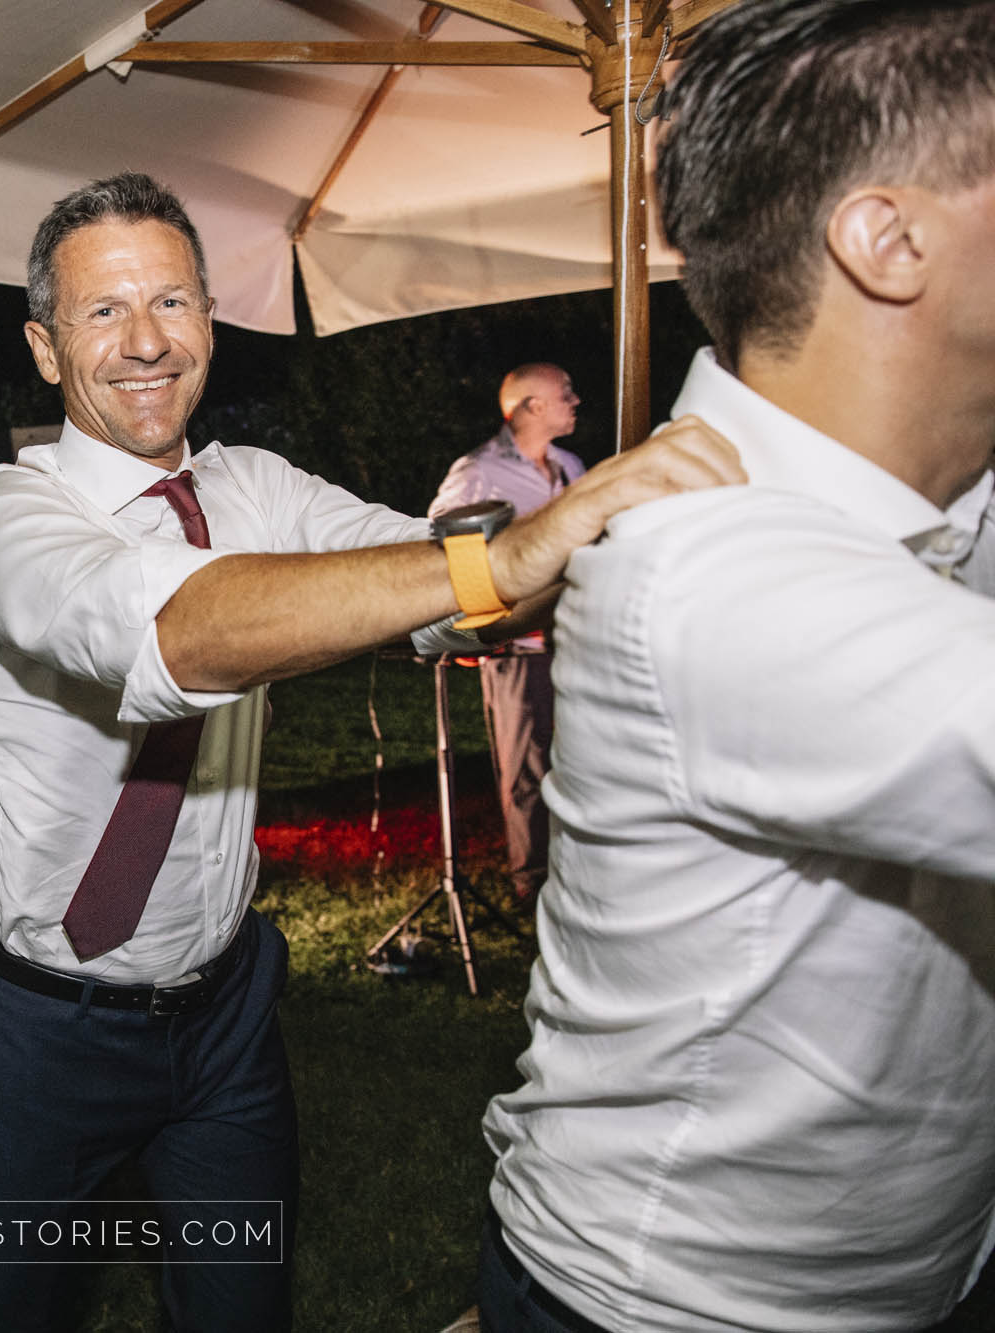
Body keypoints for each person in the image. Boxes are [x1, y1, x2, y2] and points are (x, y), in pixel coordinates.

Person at [0, 171, 743, 1332]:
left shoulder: (253, 487)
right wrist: (498, 563)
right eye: (102, 312)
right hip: (43, 1029)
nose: (146, 341)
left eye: (171, 301)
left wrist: (613, 521)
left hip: (223, 1017)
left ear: (210, 320)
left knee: (240, 1308)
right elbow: (166, 628)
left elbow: (437, 579)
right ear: (45, 349)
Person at [478, 3, 995, 1330]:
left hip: (915, 1275)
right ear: (886, 241)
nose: (569, 410)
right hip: (675, 1302)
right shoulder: (706, 568)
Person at [428, 364, 587, 899]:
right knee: (527, 768)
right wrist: (475, 621)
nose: (576, 400)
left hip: (574, 640)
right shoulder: (479, 471)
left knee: (579, 762)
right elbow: (441, 543)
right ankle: (533, 883)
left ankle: (576, 875)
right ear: (530, 407)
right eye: (565, 394)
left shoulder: (568, 465)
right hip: (517, 644)